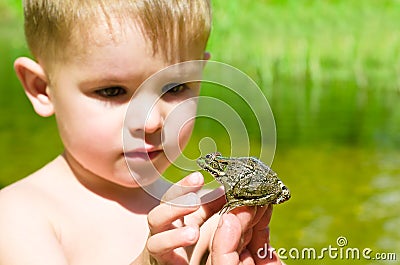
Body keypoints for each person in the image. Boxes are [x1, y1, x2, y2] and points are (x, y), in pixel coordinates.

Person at [0, 0, 283, 264]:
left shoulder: (206, 213)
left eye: (174, 88)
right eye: (112, 91)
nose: (150, 122)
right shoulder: (19, 217)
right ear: (41, 88)